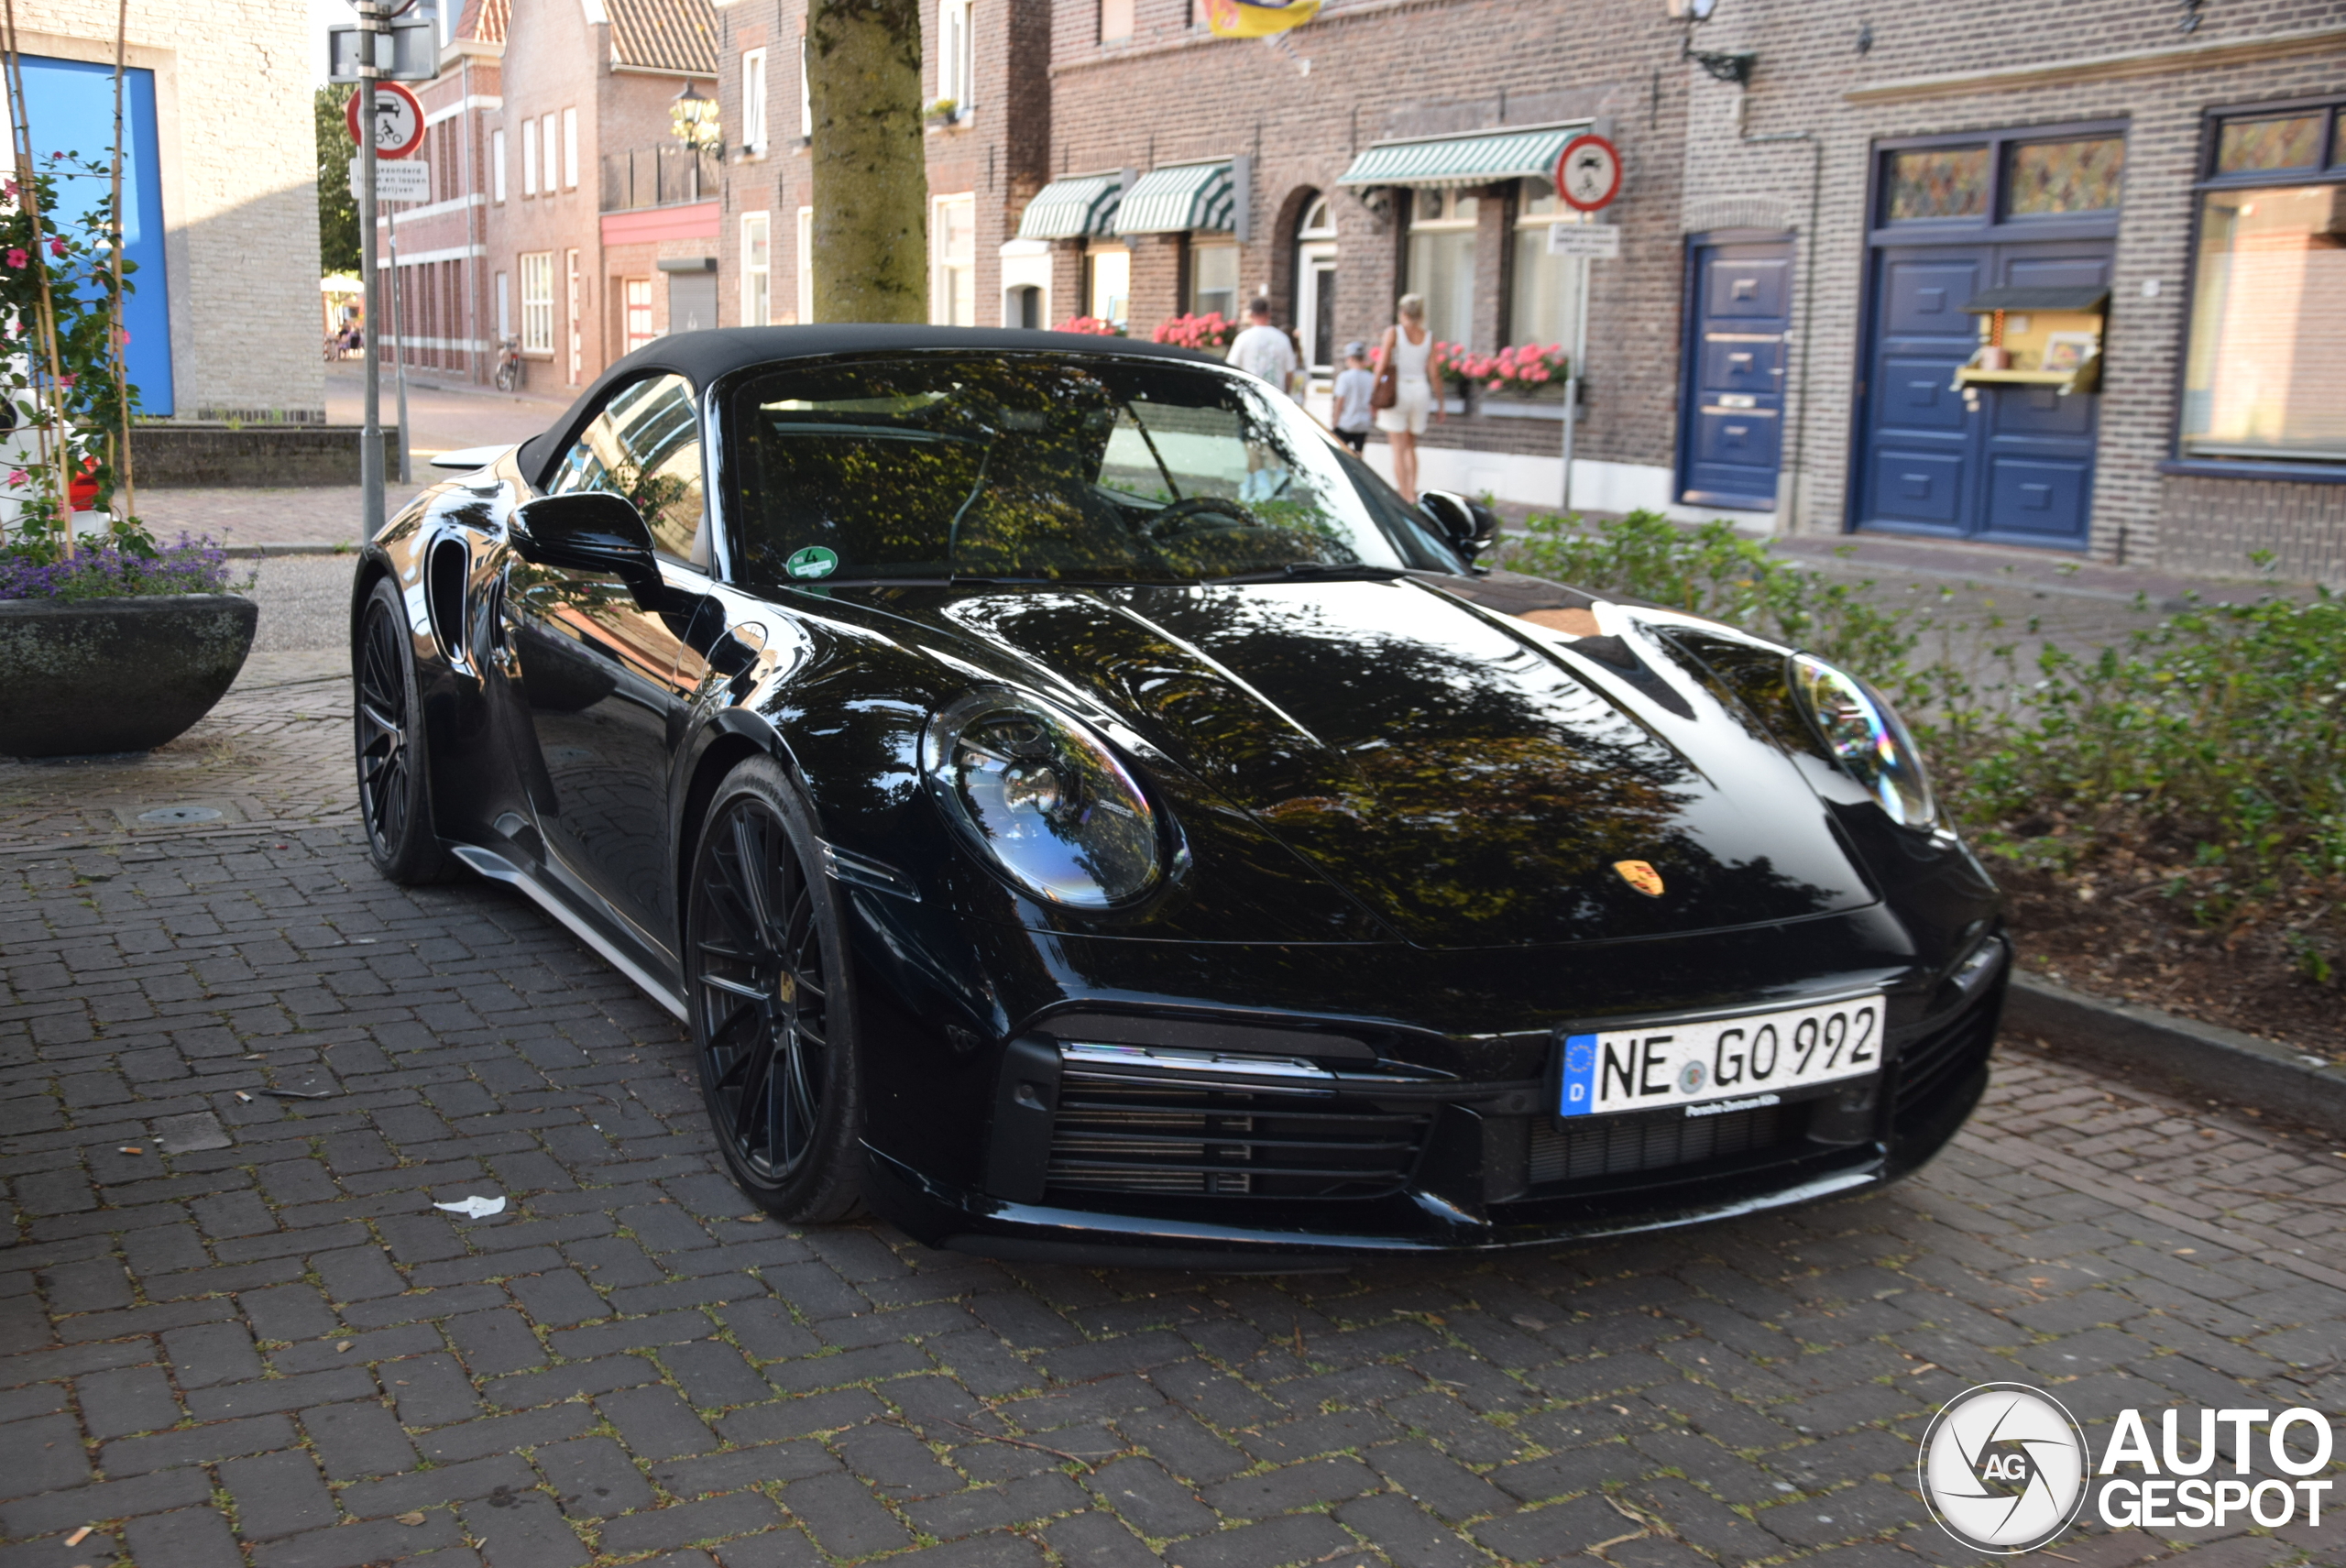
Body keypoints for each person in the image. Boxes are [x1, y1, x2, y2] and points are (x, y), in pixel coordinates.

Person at [1376, 293, 1442, 501]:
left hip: (1399, 391)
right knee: (1411, 447)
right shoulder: (1428, 336)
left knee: (1397, 447)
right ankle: (1412, 493)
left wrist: (1373, 393)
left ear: (1401, 312)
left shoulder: (1394, 333)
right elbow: (1434, 373)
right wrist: (1441, 403)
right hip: (1420, 391)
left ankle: (1403, 494)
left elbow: (1382, 364)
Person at [1226, 297, 1298, 395]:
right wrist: (1287, 394)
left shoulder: (1243, 338)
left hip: (1251, 395)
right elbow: (1290, 372)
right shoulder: (1282, 338)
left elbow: (1231, 368)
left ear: (1251, 315)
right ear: (1269, 314)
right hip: (1276, 396)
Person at [1330, 340, 1374, 454]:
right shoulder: (1371, 377)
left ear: (1350, 358)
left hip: (1346, 423)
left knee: (1339, 453)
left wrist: (1335, 420)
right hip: (1363, 423)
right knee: (1358, 455)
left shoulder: (1345, 377)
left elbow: (1340, 400)